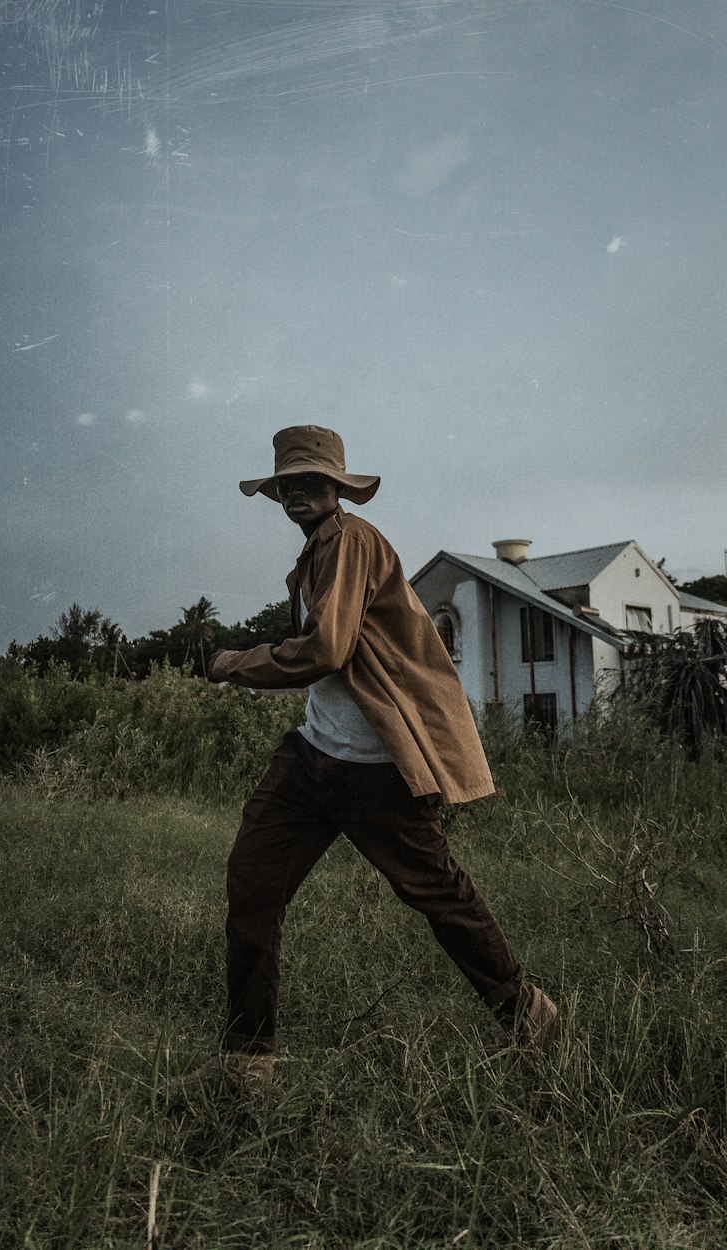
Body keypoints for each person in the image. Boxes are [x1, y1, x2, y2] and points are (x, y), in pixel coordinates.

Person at [195, 425, 557, 1090]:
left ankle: (530, 1016)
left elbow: (325, 651)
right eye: (289, 483)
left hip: (377, 767)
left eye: (314, 481)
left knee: (437, 894)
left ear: (338, 489)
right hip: (314, 756)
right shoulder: (315, 555)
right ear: (278, 494)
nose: (300, 491)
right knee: (253, 881)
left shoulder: (354, 542)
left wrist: (229, 664)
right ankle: (247, 1064)